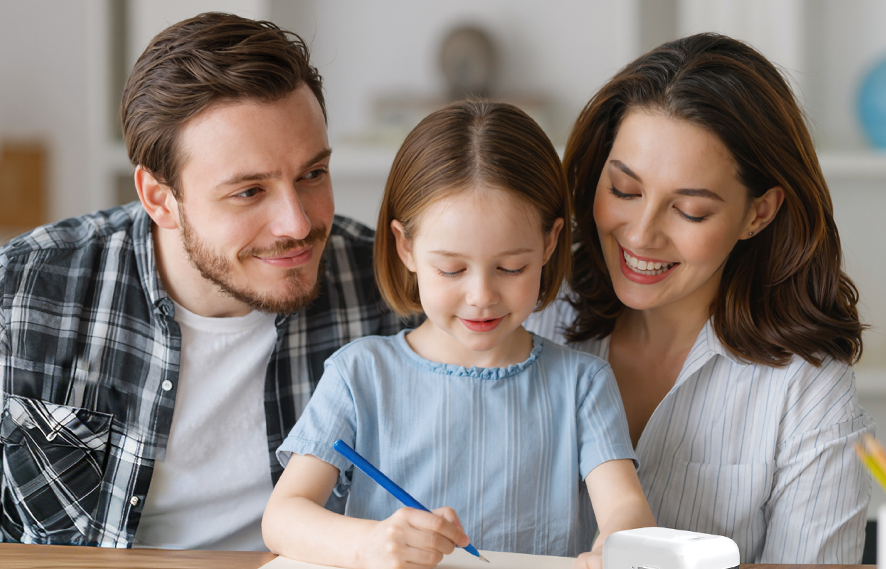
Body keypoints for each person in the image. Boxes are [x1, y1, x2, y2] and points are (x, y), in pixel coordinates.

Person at [0, 13, 403, 549]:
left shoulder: (390, 287)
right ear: (160, 198)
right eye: (249, 191)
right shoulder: (19, 295)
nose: (298, 223)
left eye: (313, 174)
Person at [525, 33, 875, 564]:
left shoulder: (808, 394)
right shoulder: (529, 313)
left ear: (759, 213)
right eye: (623, 190)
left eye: (688, 210)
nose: (641, 234)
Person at [263, 100, 656, 569]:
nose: (481, 296)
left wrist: (618, 545)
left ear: (550, 243)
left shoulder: (582, 384)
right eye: (451, 269)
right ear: (406, 247)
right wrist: (370, 544)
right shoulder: (360, 374)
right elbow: (283, 518)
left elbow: (626, 509)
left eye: (512, 267)